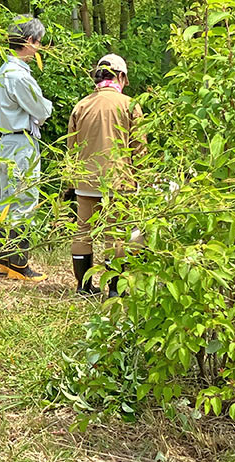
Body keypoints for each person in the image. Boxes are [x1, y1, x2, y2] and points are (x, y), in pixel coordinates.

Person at [67, 54, 146, 297]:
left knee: (83, 231)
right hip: (118, 181)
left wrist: (70, 183)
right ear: (120, 76)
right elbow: (139, 146)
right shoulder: (129, 104)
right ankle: (115, 288)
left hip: (85, 181)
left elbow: (72, 147)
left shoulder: (81, 105)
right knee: (116, 233)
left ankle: (83, 286)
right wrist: (142, 176)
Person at [0, 15, 53, 282]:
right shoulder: (18, 75)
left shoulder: (5, 70)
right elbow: (40, 109)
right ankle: (18, 264)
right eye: (38, 42)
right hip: (21, 142)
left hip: (7, 140)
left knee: (7, 197)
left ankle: (2, 260)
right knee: (24, 200)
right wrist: (44, 109)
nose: (38, 48)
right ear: (29, 41)